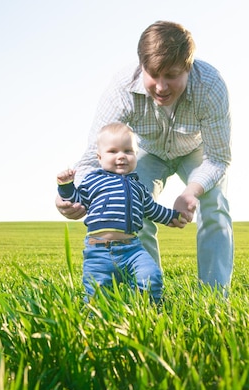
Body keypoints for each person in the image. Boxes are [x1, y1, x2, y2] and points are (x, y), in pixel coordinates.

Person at [56, 20, 233, 294]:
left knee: (215, 205)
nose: (161, 87)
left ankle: (214, 298)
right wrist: (71, 196)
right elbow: (95, 157)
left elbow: (218, 158)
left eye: (172, 76)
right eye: (154, 76)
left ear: (189, 67)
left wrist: (190, 192)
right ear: (142, 67)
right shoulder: (121, 90)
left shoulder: (210, 86)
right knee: (135, 204)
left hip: (197, 151)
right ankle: (147, 294)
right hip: (148, 152)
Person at [57, 122, 186, 304]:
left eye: (128, 151)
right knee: (98, 296)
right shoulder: (93, 180)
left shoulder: (138, 186)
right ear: (99, 157)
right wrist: (66, 185)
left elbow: (152, 210)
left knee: (150, 276)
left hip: (132, 249)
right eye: (113, 151)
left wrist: (174, 216)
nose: (121, 156)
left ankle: (145, 309)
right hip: (99, 251)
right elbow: (77, 199)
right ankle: (96, 323)